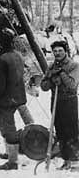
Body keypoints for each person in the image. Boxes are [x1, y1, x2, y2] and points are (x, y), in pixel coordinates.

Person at [0, 29, 26, 170]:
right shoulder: (17, 55)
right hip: (17, 97)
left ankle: (12, 162)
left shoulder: (2, 59)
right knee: (2, 123)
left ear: (1, 41)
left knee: (8, 127)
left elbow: (0, 84)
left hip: (6, 99)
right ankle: (10, 152)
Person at [41, 40, 79, 169]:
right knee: (60, 130)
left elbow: (72, 85)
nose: (57, 53)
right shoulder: (51, 67)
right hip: (56, 102)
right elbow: (44, 86)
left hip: (69, 102)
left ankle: (74, 160)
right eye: (55, 51)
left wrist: (61, 74)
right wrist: (51, 79)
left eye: (60, 51)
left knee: (71, 130)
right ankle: (66, 159)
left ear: (65, 51)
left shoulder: (74, 66)